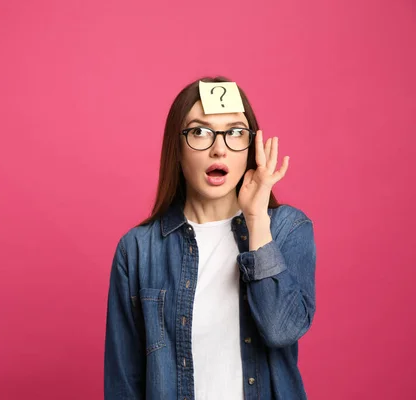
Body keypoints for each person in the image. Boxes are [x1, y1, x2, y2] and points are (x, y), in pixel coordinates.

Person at [103, 76, 317, 400]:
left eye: (235, 133)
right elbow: (123, 382)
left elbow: (281, 330)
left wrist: (257, 218)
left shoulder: (287, 228)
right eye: (199, 132)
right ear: (176, 148)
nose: (219, 148)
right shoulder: (137, 250)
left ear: (251, 147)